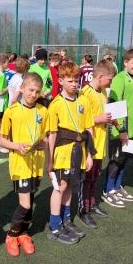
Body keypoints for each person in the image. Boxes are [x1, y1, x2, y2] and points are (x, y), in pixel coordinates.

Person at [0, 72, 49, 256]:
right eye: (30, 90)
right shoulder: (11, 111)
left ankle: (23, 233)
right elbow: (2, 141)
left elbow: (45, 136)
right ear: (21, 88)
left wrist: (42, 144)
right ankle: (11, 235)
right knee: (26, 204)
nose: (34, 94)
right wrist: (16, 146)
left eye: (37, 91)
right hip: (20, 164)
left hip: (36, 163)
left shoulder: (43, 111)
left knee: (31, 198)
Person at [47, 61, 95, 245]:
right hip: (62, 152)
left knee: (72, 186)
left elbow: (89, 128)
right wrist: (49, 161)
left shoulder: (83, 100)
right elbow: (52, 134)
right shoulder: (56, 104)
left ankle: (66, 220)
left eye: (77, 80)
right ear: (60, 81)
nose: (74, 84)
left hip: (80, 152)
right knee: (60, 186)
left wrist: (89, 154)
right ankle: (54, 225)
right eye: (70, 80)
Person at [103, 49, 133, 207]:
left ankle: (117, 187)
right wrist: (122, 130)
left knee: (125, 160)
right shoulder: (120, 79)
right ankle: (108, 191)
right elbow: (113, 103)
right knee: (116, 160)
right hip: (119, 130)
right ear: (125, 63)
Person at [78, 59, 115, 228]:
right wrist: (99, 119)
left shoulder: (103, 93)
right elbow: (79, 120)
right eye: (110, 79)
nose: (110, 83)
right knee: (86, 178)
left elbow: (104, 113)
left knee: (95, 176)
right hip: (89, 144)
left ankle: (92, 204)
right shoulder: (85, 92)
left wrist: (111, 119)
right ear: (100, 76)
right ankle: (83, 210)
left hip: (101, 142)